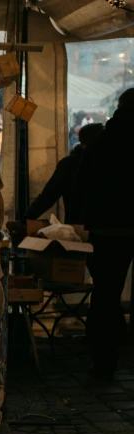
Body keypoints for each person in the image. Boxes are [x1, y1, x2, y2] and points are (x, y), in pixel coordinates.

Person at [73, 88, 134, 381]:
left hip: (106, 229)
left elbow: (81, 184)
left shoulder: (100, 143)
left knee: (106, 294)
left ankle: (104, 362)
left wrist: (81, 222)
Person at [24, 123, 104, 221]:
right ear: (85, 144)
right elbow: (48, 197)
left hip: (78, 228)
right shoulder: (70, 165)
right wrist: (26, 220)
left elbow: (47, 197)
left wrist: (25, 220)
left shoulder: (68, 164)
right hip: (82, 229)